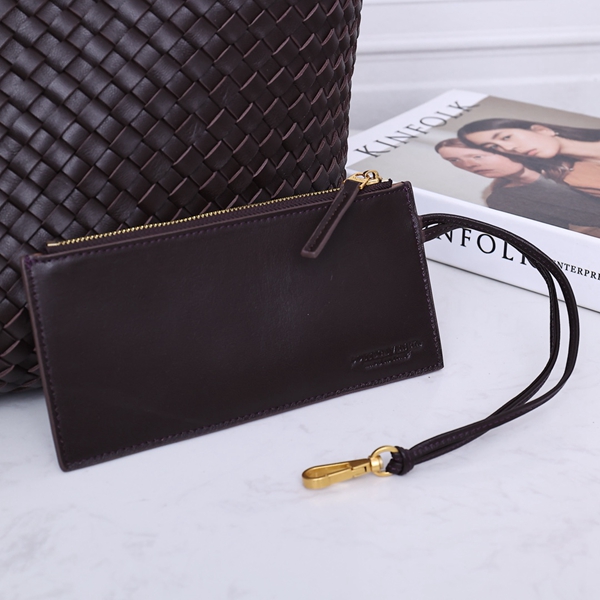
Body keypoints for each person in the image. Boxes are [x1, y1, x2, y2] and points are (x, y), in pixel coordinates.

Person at [435, 139, 600, 236]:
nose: (468, 164)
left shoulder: (571, 161)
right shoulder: (503, 199)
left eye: (477, 156)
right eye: (454, 160)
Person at [457, 118, 600, 197]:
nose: (508, 148)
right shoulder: (574, 177)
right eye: (493, 147)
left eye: (506, 137)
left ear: (542, 130)